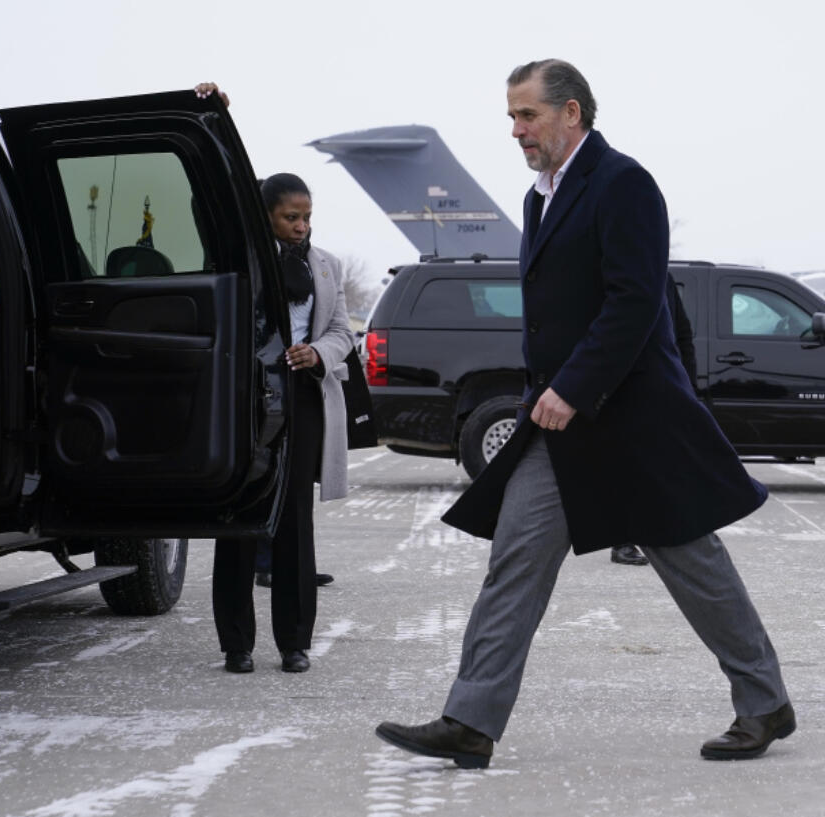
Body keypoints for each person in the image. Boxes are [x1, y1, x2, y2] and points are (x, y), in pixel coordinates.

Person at [375, 59, 793, 768]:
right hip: (561, 423)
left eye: (527, 115)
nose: (516, 130)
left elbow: (635, 301)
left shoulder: (624, 184)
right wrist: (555, 391)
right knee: (515, 556)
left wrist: (573, 386)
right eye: (512, 117)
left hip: (627, 418)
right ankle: (471, 720)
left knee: (693, 562)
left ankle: (765, 703)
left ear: (571, 113)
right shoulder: (541, 198)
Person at [202, 160, 356, 674]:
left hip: (304, 398)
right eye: (291, 216)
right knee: (240, 515)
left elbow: (342, 330)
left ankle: (294, 643)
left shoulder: (326, 265)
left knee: (294, 520)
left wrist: (318, 353)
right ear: (266, 215)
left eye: (307, 216)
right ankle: (236, 645)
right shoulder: (240, 260)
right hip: (247, 399)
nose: (302, 225)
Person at [609, 273, 696, 567]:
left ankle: (662, 531)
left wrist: (687, 388)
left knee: (660, 466)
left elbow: (682, 335)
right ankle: (622, 542)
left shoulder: (664, 278)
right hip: (622, 390)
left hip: (662, 388)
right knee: (628, 468)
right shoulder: (617, 276)